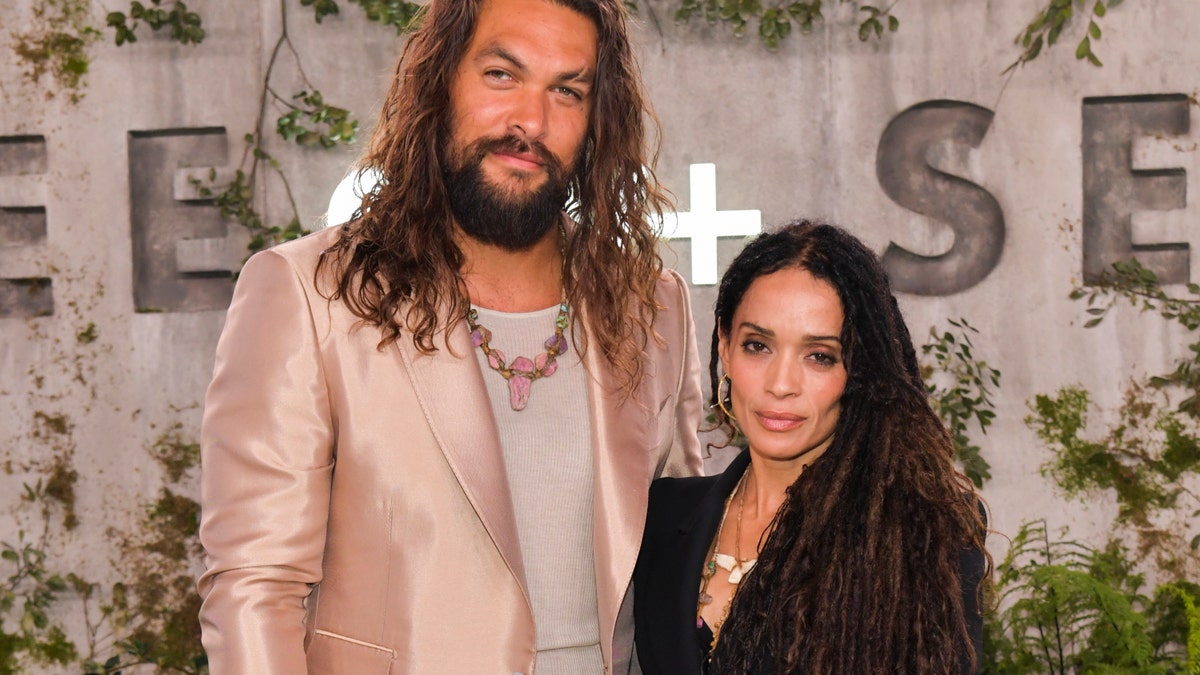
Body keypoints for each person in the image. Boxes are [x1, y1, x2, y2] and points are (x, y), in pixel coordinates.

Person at [195, 0, 704, 672]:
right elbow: (255, 589)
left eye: (567, 91)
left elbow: (680, 561)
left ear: (597, 120)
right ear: (439, 83)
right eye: (502, 75)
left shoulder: (650, 305)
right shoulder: (305, 294)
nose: (531, 120)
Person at [633, 220, 990, 674]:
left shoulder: (921, 528)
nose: (781, 385)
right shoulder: (663, 516)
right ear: (724, 345)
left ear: (859, 369)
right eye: (758, 346)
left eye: (819, 356)